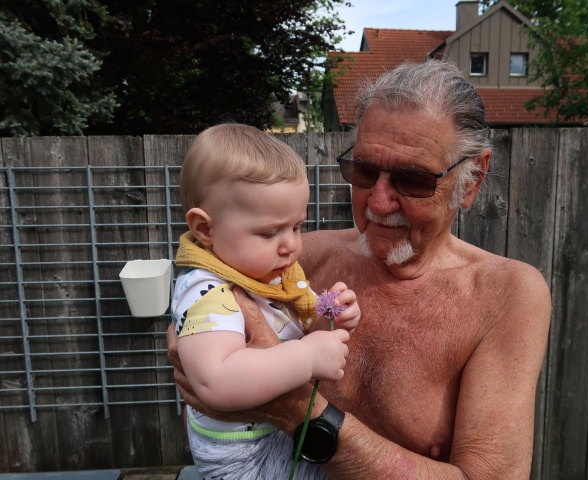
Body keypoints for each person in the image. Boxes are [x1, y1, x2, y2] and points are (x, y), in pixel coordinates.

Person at [167, 60, 551, 479]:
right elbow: (195, 340)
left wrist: (303, 415)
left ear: (472, 178)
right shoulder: (297, 262)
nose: (378, 203)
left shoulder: (504, 295)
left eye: (414, 180)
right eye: (364, 171)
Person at [172, 123, 360, 479]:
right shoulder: (208, 293)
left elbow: (285, 339)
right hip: (243, 455)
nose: (289, 244)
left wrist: (329, 319)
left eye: (297, 227)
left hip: (272, 432)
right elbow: (217, 382)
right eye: (269, 232)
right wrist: (307, 357)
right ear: (205, 230)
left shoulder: (262, 274)